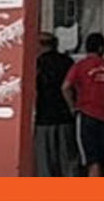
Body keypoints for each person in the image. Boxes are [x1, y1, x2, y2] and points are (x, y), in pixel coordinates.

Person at [62, 32, 104, 177]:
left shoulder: (80, 66)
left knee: (90, 159)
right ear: (101, 48)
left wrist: (72, 107)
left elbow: (65, 87)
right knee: (100, 157)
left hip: (86, 113)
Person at [31, 32, 77, 176]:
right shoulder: (67, 62)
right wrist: (72, 108)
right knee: (68, 161)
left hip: (44, 118)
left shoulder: (37, 64)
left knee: (45, 164)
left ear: (40, 45)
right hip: (65, 117)